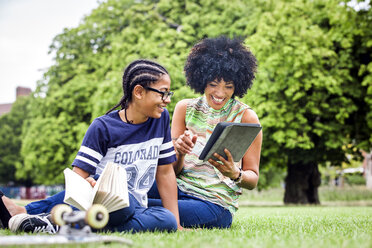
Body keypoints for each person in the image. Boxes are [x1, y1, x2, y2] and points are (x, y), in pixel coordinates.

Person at [0, 59, 181, 233]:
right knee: (124, 205)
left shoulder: (161, 119)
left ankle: (61, 224)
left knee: (167, 220)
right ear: (139, 92)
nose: (167, 100)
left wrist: (177, 224)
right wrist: (88, 182)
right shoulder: (103, 127)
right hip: (106, 204)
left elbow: (165, 172)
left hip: (136, 207)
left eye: (168, 93)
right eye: (163, 93)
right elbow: (78, 178)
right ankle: (56, 219)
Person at [148, 36, 262, 228]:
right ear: (202, 80)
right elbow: (171, 171)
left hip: (212, 204)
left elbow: (253, 179)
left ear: (238, 86)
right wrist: (180, 152)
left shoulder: (246, 117)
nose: (220, 93)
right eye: (213, 84)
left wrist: (235, 173)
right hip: (177, 188)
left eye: (229, 86)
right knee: (133, 189)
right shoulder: (185, 108)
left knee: (139, 204)